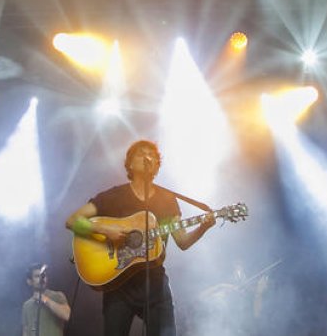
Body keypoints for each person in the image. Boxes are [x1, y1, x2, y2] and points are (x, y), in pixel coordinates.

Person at [65, 140, 216, 336]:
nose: (148, 157)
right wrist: (105, 230)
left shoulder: (167, 199)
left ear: (157, 165)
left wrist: (204, 226)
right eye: (141, 154)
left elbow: (183, 241)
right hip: (119, 284)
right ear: (129, 164)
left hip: (155, 284)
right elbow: (73, 221)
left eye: (152, 155)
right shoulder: (114, 195)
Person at [22, 263, 70, 336]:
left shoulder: (57, 296)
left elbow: (67, 315)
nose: (42, 278)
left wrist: (44, 299)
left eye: (43, 275)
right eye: (37, 276)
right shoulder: (27, 305)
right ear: (29, 281)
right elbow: (26, 330)